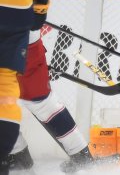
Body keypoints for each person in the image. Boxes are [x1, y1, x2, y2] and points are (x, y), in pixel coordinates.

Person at [0, 0, 58, 173]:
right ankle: (13, 157)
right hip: (18, 14)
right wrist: (39, 9)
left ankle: (16, 155)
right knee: (5, 91)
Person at [7, 31, 96, 174]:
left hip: (19, 41)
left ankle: (17, 156)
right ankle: (82, 156)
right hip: (27, 42)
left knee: (38, 101)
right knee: (40, 102)